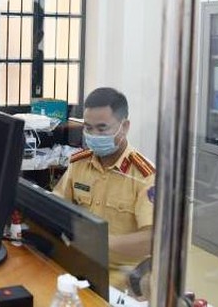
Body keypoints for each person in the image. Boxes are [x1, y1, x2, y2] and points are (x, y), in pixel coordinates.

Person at [52, 87, 155, 289]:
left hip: (122, 279)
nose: (93, 135)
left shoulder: (145, 176)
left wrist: (101, 243)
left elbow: (152, 239)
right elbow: (57, 202)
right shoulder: (79, 163)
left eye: (102, 128)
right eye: (88, 128)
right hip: (77, 266)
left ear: (124, 127)